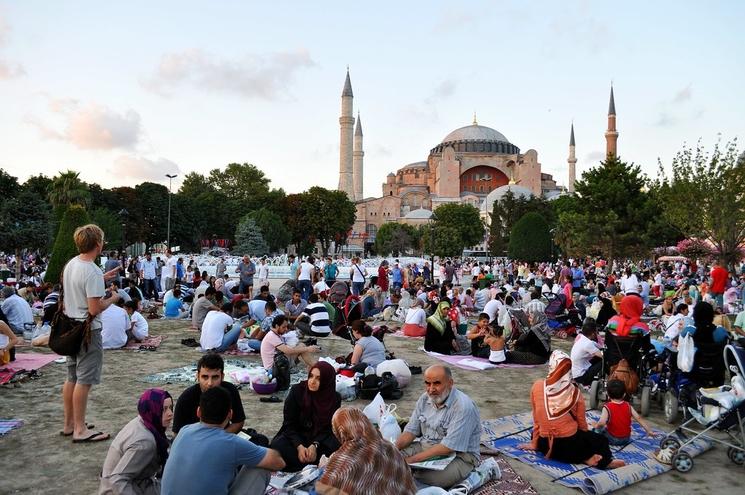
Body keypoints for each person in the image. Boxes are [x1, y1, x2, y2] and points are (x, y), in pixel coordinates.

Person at [162, 386, 285, 495]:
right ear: (230, 414)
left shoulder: (184, 431)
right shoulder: (231, 443)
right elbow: (278, 462)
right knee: (261, 466)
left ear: (198, 412)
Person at [62, 224, 121, 443]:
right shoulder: (92, 270)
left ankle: (70, 424)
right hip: (87, 331)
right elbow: (95, 308)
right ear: (98, 244)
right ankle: (80, 429)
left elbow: (79, 285)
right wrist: (113, 298)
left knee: (72, 377)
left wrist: (101, 278)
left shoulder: (72, 264)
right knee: (84, 381)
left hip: (70, 328)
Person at [520, 350, 625, 469]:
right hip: (570, 445)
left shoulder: (537, 386)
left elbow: (537, 419)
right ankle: (598, 460)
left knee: (536, 433)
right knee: (600, 440)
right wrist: (586, 438)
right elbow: (582, 424)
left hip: (545, 445)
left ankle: (584, 457)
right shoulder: (574, 392)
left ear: (551, 366)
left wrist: (534, 443)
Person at [395, 365, 481, 489]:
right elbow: (410, 431)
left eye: (436, 383)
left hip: (459, 456)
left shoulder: (463, 407)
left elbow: (448, 448)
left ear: (450, 383)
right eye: (428, 384)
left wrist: (412, 461)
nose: (431, 389)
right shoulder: (424, 399)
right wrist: (393, 449)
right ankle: (408, 471)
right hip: (426, 446)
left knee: (430, 478)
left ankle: (412, 474)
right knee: (389, 459)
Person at [316, 407, 416, 495]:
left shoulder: (342, 461)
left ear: (340, 432)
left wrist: (325, 468)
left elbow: (324, 489)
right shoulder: (389, 447)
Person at [270, 361, 341, 472]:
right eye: (311, 376)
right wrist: (299, 446)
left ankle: (305, 465)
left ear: (327, 381)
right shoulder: (297, 391)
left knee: (339, 445)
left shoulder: (334, 398)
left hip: (320, 438)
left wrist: (315, 445)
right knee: (278, 446)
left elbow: (329, 427)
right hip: (297, 435)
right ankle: (312, 465)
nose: (312, 381)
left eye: (318, 378)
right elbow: (289, 424)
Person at [99, 388, 173, 494]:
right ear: (153, 409)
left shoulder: (143, 421)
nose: (170, 413)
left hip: (128, 482)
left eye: (171, 408)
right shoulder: (145, 443)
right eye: (164, 409)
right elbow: (117, 480)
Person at [591, 379, 654, 445]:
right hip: (626, 438)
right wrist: (649, 431)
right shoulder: (628, 405)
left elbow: (601, 423)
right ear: (624, 395)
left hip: (613, 439)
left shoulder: (607, 407)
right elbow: (638, 418)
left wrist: (596, 426)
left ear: (608, 395)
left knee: (598, 430)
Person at [571, 318, 604, 385]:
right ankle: (603, 379)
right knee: (605, 361)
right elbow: (603, 355)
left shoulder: (582, 339)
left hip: (576, 372)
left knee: (597, 358)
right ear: (593, 334)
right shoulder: (588, 344)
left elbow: (600, 346)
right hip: (581, 376)